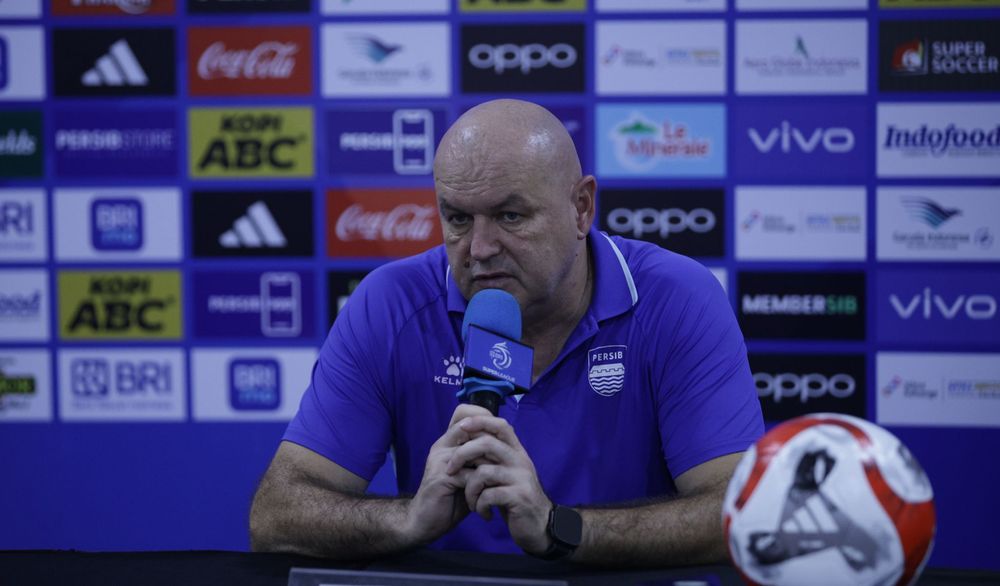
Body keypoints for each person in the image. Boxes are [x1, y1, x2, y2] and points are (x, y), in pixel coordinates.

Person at [250, 99, 763, 566]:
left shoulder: (676, 298)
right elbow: (276, 515)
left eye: (510, 216)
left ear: (581, 208)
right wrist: (407, 519)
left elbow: (740, 513)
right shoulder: (391, 303)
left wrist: (560, 528)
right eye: (458, 219)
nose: (479, 249)